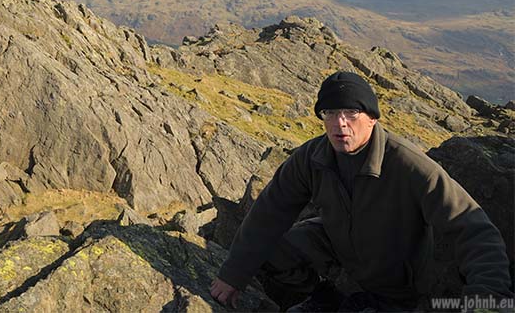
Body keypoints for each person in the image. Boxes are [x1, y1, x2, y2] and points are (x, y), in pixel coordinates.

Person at [210, 71, 513, 311]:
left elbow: (472, 228)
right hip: (339, 244)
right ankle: (324, 295)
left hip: (395, 277)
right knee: (274, 251)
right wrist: (232, 274)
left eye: (351, 113)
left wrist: (489, 302)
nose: (340, 124)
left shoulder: (408, 164)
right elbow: (269, 212)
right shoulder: (312, 156)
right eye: (330, 113)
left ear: (372, 118)